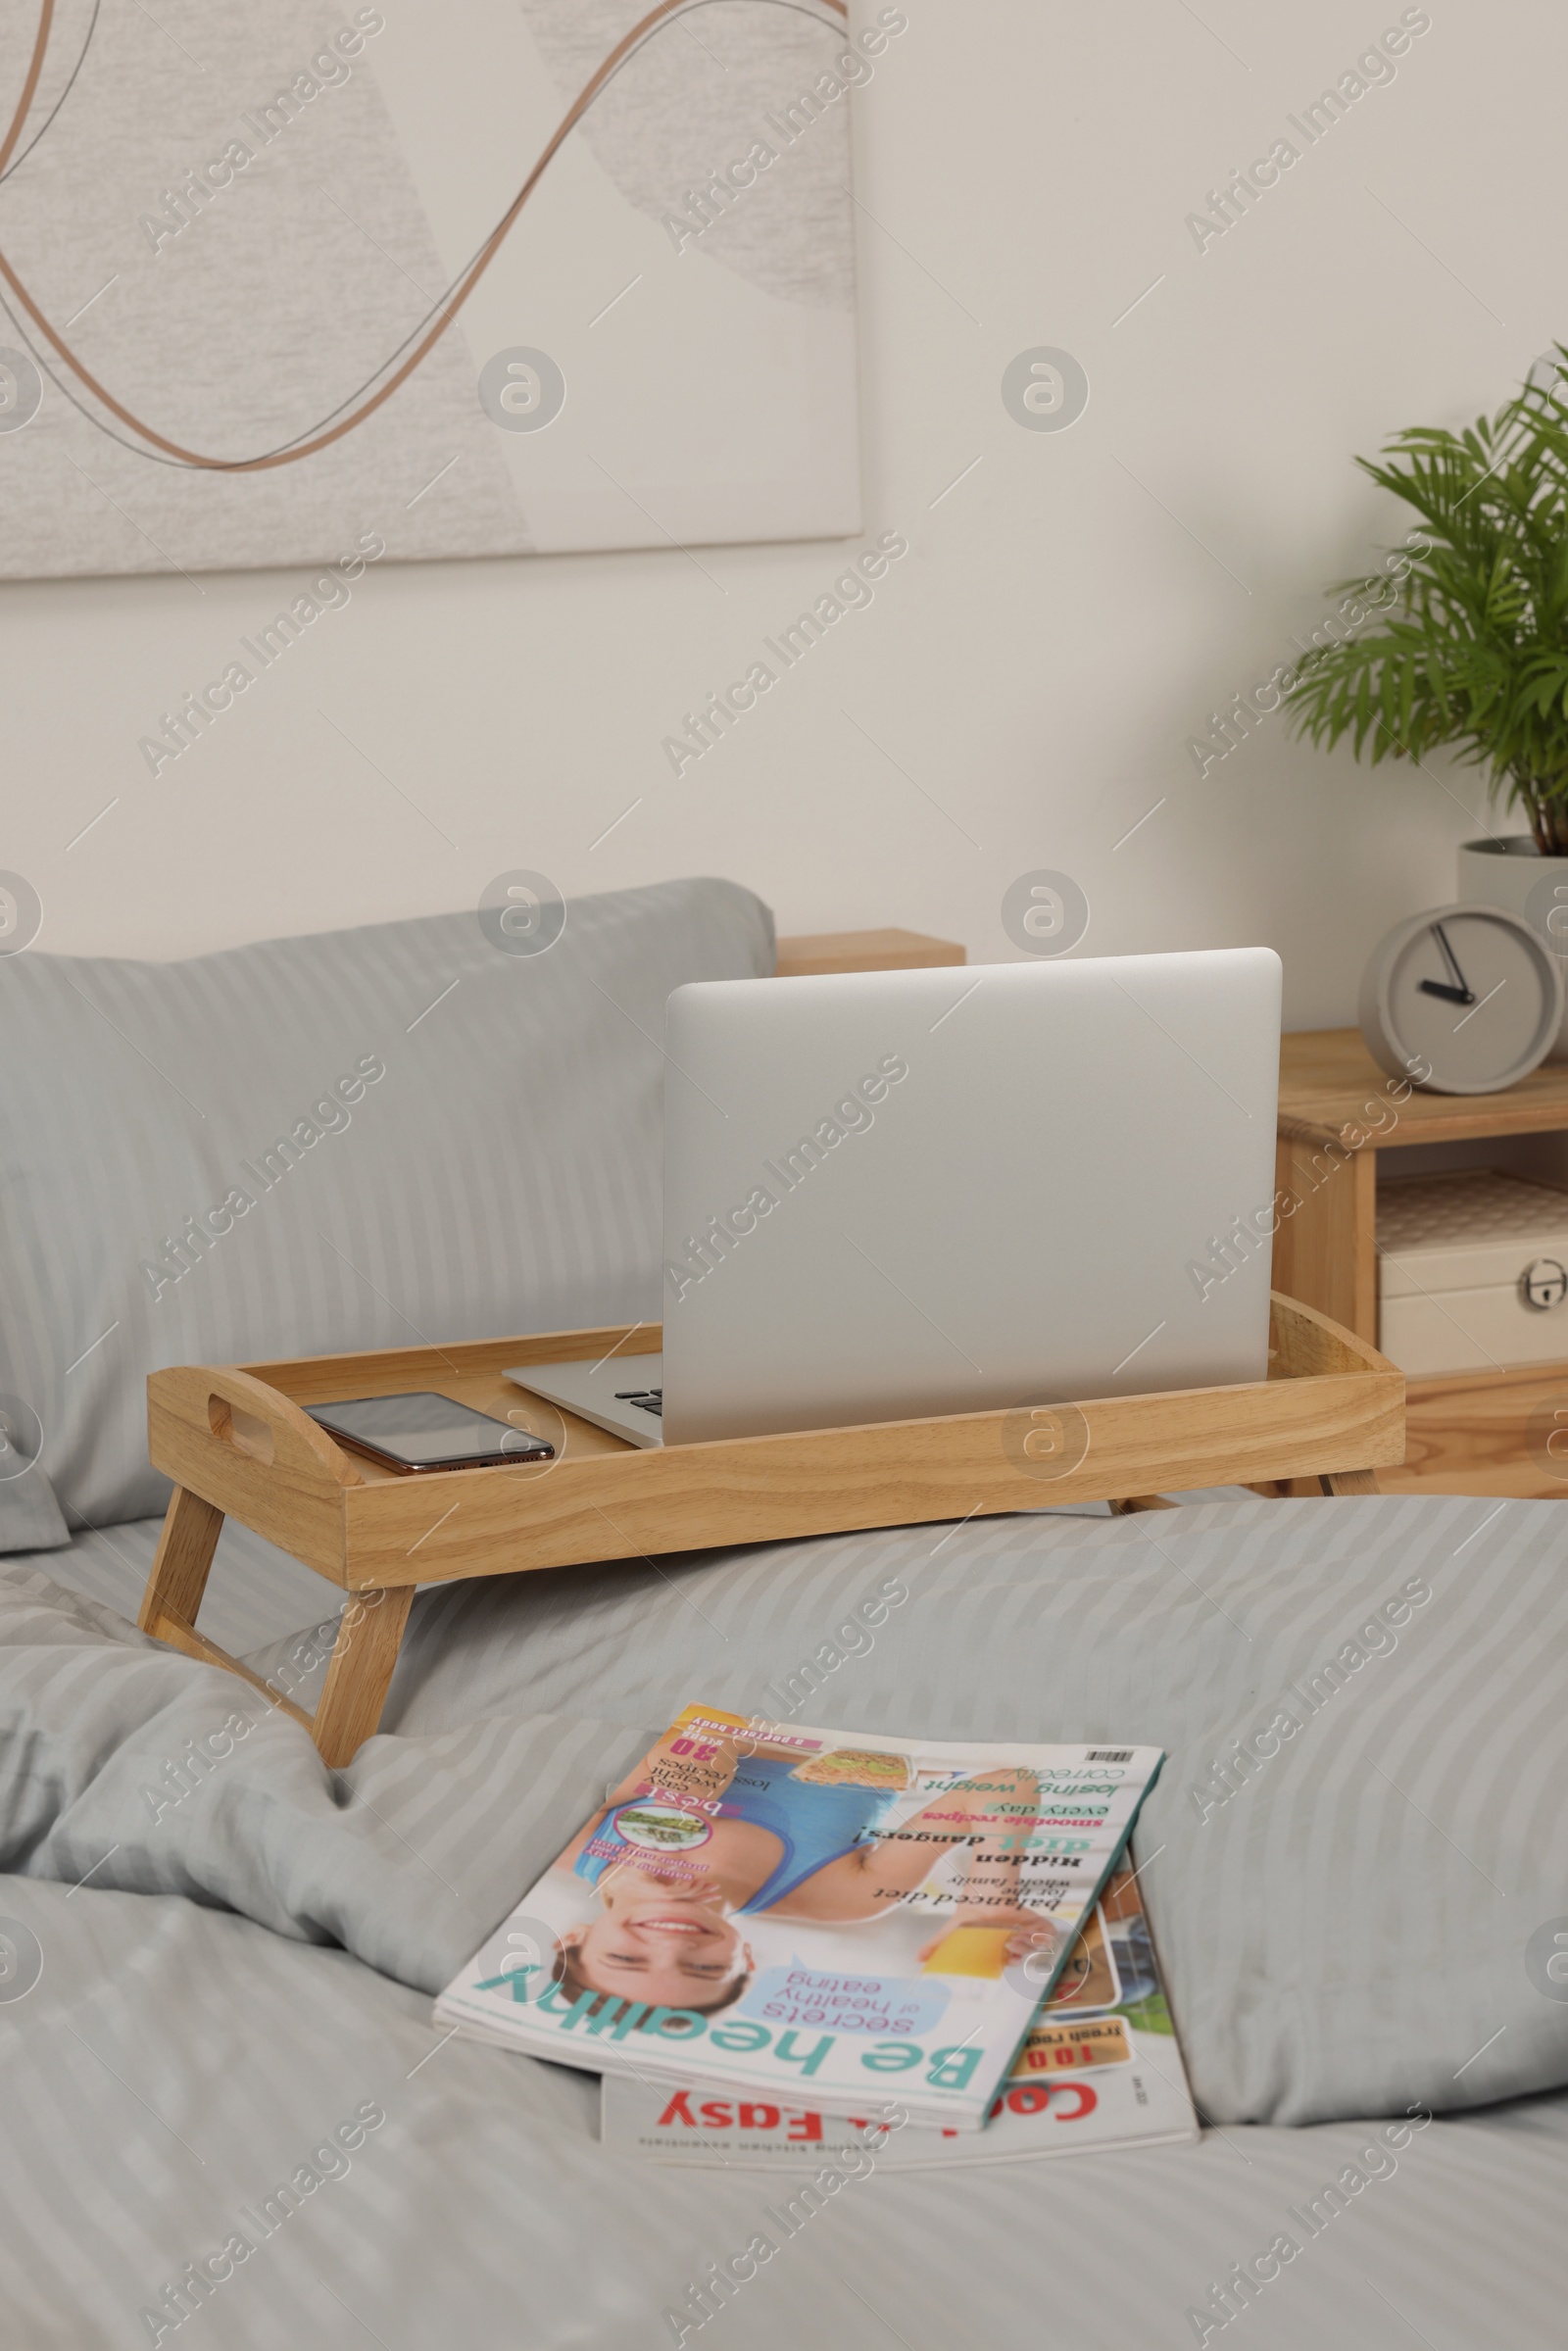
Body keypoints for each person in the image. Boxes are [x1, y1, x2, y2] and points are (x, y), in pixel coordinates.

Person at [545, 1719, 1057, 2014]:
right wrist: (988, 1900)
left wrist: (663, 1819)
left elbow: (712, 1728)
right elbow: (1003, 1785)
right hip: (901, 1719)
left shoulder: (573, 1847)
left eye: (627, 1960)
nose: (672, 1945)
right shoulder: (834, 1899)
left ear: (573, 1938)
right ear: (743, 1956)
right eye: (703, 1967)